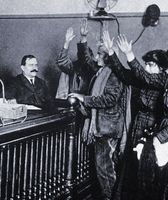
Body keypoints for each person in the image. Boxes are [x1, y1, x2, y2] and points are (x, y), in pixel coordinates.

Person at [68, 21, 129, 200]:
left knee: (106, 171)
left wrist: (83, 98)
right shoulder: (102, 71)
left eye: (100, 54)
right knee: (103, 170)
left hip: (107, 130)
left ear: (107, 57)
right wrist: (83, 39)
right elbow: (87, 59)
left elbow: (110, 99)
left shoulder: (114, 74)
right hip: (103, 128)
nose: (96, 58)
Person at [102, 31, 167, 200]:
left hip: (153, 131)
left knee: (147, 173)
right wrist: (111, 52)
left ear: (163, 69)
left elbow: (144, 76)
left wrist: (129, 54)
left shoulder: (162, 79)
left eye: (151, 64)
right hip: (138, 126)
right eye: (146, 64)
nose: (147, 67)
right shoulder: (146, 78)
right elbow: (123, 74)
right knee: (131, 169)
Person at [56, 20, 95, 99]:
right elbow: (61, 62)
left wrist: (84, 38)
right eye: (80, 55)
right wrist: (66, 42)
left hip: (88, 104)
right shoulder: (74, 67)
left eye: (85, 56)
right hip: (71, 103)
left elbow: (86, 57)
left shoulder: (93, 69)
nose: (83, 58)